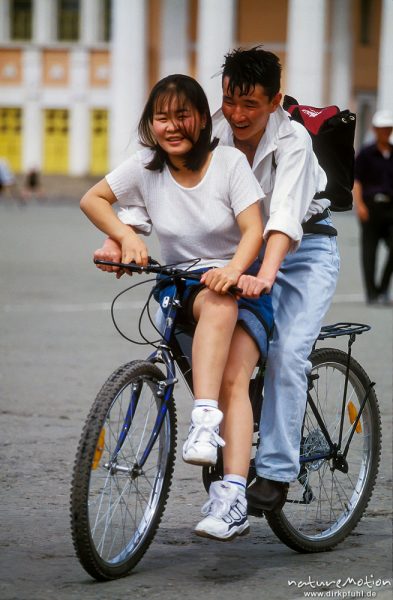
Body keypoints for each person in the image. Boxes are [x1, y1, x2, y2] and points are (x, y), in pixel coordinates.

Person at [94, 47, 340, 514]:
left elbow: (284, 216)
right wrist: (121, 236)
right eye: (230, 100)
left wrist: (264, 275)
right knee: (210, 342)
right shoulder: (216, 133)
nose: (238, 114)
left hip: (304, 249)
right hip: (235, 251)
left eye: (251, 104)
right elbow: (168, 187)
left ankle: (275, 470)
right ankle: (233, 422)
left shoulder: (293, 144)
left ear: (275, 100)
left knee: (287, 351)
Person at [80, 73, 274, 541]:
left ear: (200, 120)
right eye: (161, 117)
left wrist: (233, 270)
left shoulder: (227, 162)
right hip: (178, 286)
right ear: (151, 122)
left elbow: (254, 228)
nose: (171, 126)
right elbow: (94, 198)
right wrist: (124, 239)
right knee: (210, 316)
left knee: (233, 376)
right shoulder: (146, 167)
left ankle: (229, 492)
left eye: (181, 115)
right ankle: (208, 426)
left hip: (240, 286)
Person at [353, 109, 393, 305]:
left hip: (391, 207)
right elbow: (357, 181)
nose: (385, 132)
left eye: (388, 128)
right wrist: (359, 204)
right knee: (369, 250)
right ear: (375, 129)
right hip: (370, 206)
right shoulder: (366, 153)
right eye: (382, 128)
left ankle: (384, 288)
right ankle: (372, 292)